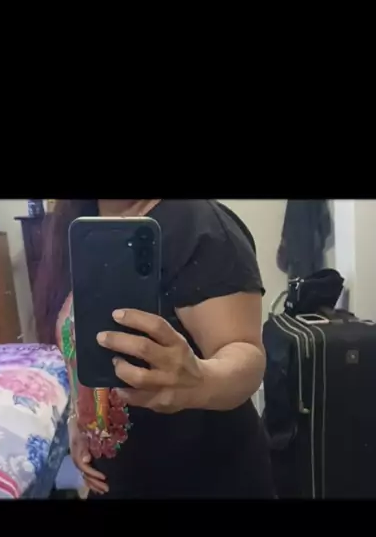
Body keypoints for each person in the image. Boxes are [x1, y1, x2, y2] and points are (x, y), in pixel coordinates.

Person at [35, 199, 274, 498]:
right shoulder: (81, 227)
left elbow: (246, 355)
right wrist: (78, 421)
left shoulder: (196, 225)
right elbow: (80, 347)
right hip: (117, 482)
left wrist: (201, 382)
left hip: (205, 480)